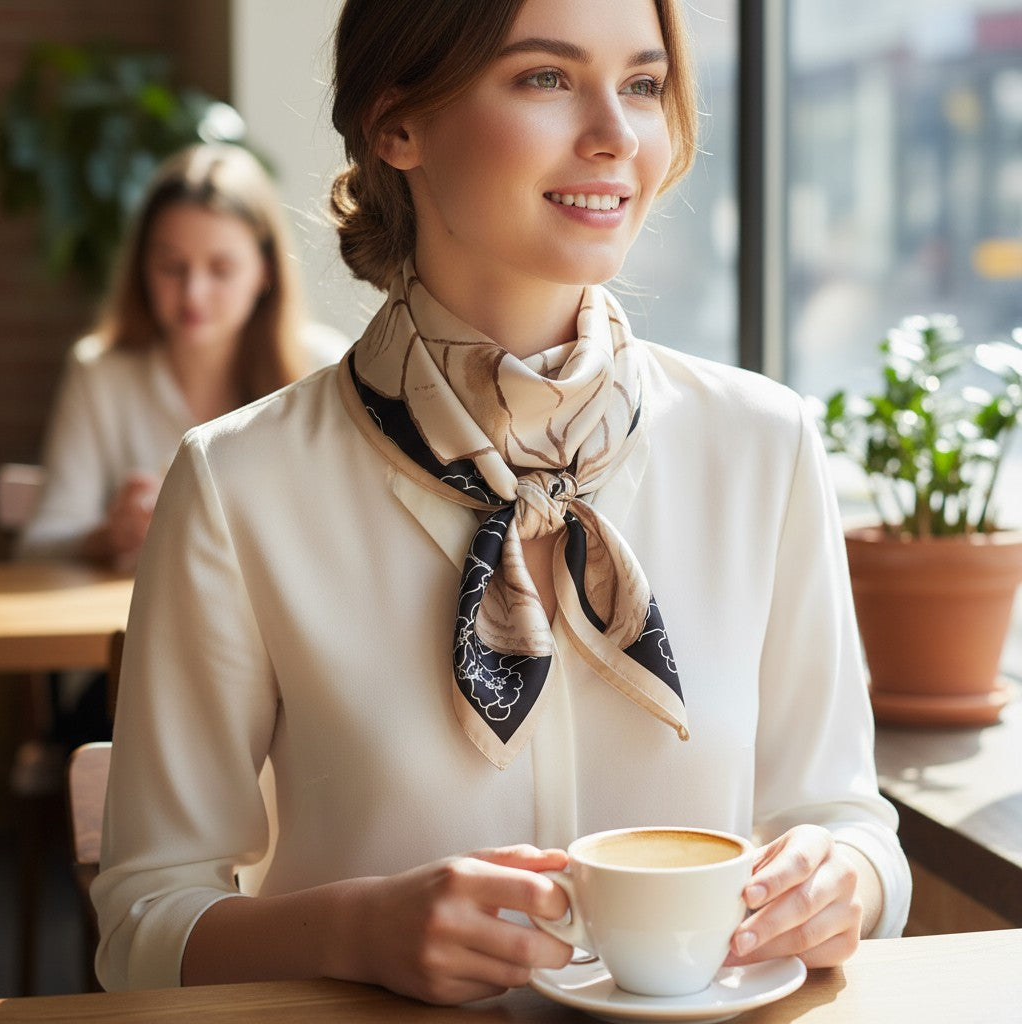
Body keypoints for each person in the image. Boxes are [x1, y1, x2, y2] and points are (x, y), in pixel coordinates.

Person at [92, 0, 912, 1005]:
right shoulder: (237, 484)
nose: (617, 136)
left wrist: (847, 881)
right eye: (546, 78)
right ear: (397, 123)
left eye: (644, 85)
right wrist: (355, 929)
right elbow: (142, 923)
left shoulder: (764, 446)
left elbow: (848, 821)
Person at [17, 142, 348, 568]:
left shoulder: (323, 366)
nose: (193, 294)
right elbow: (37, 546)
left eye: (221, 270)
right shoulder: (101, 373)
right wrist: (110, 536)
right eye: (171, 267)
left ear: (265, 270)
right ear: (142, 268)